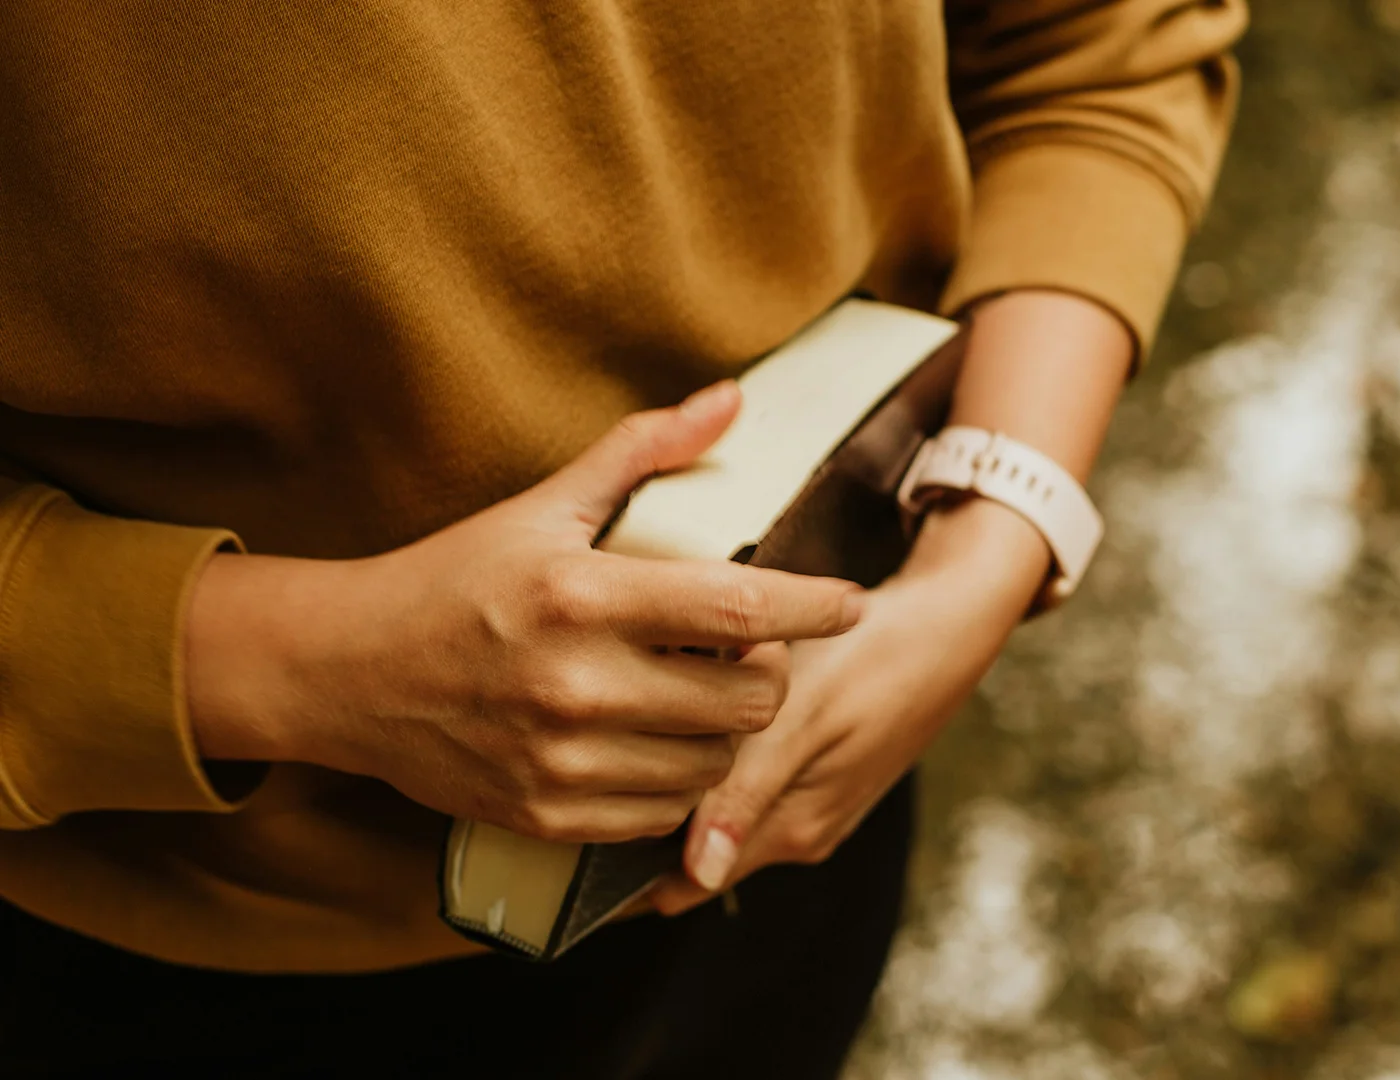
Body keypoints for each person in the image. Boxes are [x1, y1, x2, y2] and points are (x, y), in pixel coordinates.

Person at [0, 2, 1245, 1076]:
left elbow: (1100, 49)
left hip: (815, 785)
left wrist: (991, 542)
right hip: (167, 951)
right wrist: (298, 666)